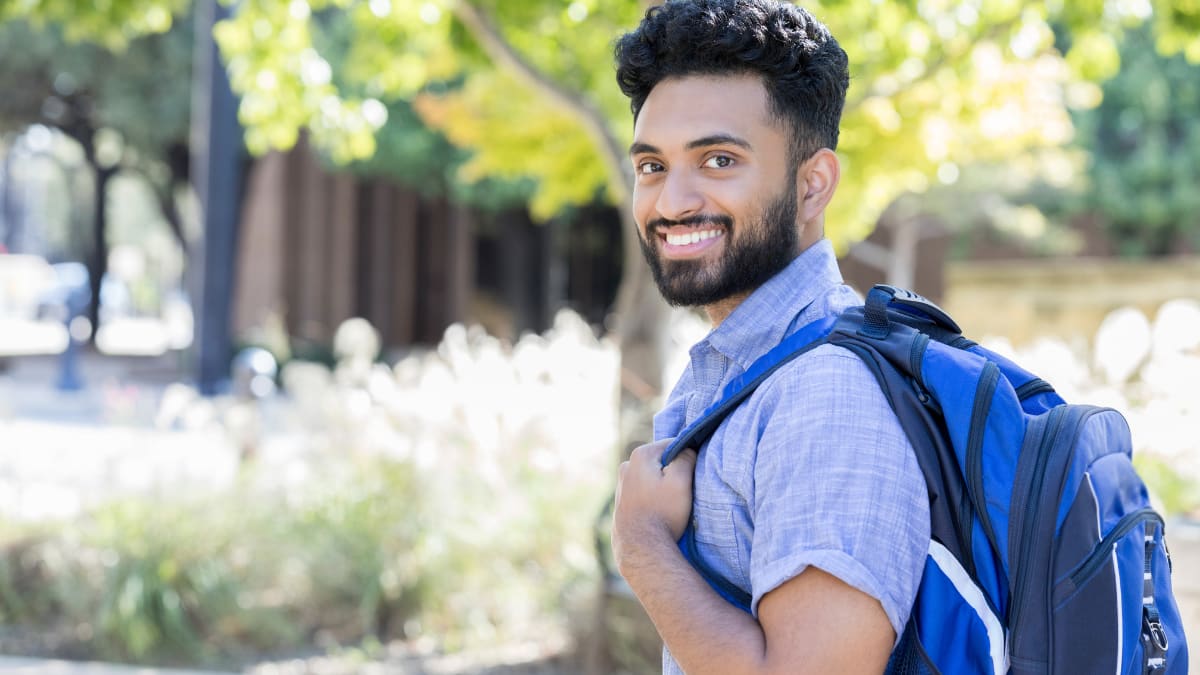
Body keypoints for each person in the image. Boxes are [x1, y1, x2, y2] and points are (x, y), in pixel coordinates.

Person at [609, 1, 930, 673]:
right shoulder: (745, 367)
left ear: (813, 185)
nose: (671, 202)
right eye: (652, 166)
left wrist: (641, 545)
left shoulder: (827, 395)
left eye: (719, 160)